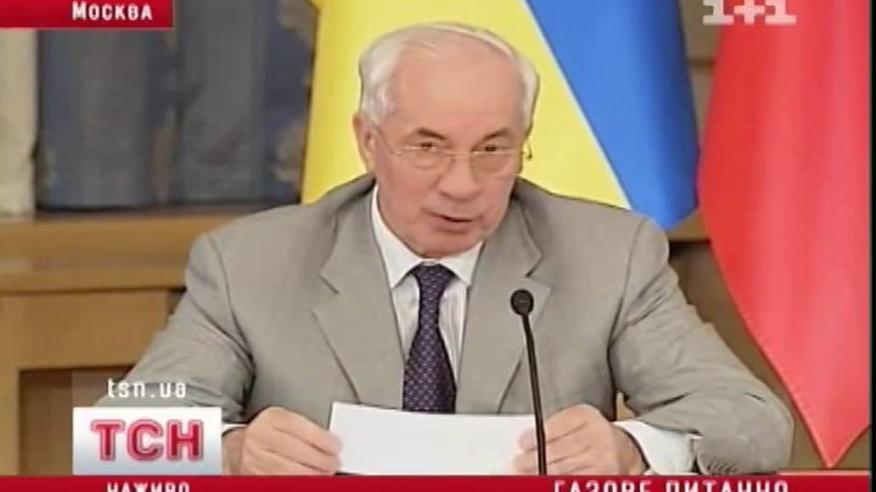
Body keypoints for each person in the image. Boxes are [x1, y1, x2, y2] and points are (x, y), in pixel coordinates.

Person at [98, 22, 792, 475]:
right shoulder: (249, 264)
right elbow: (115, 438)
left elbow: (754, 423)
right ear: (368, 141)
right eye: (427, 147)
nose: (462, 185)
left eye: (493, 150)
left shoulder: (609, 255)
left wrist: (632, 448)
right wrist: (231, 451)